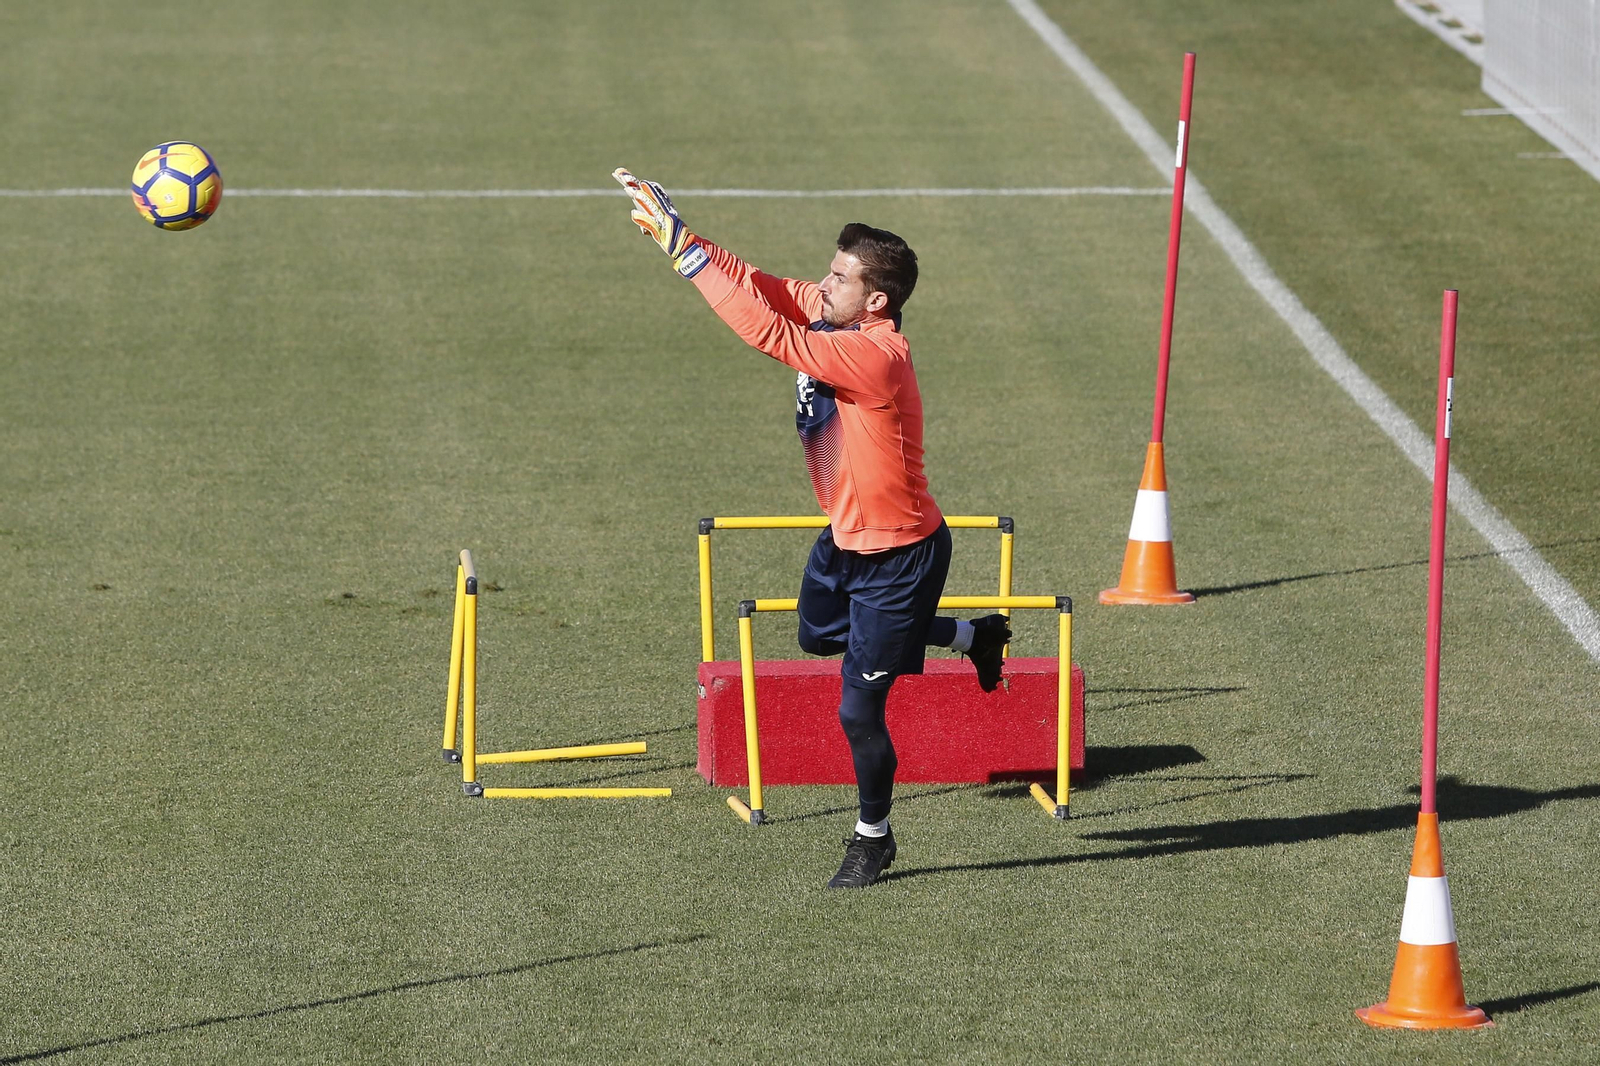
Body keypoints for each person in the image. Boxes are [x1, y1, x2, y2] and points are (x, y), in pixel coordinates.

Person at [613, 169, 1011, 888]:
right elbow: (761, 286)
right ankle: (969, 636)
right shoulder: (836, 315)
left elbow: (766, 331)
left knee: (858, 710)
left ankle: (873, 836)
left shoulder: (874, 354)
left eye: (838, 276)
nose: (821, 285)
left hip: (901, 558)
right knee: (818, 636)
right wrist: (685, 237)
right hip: (846, 542)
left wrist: (684, 256)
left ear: (876, 299)